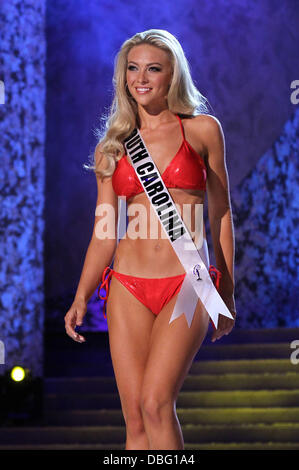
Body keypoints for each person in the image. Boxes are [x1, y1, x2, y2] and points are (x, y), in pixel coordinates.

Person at [64, 29, 236, 450]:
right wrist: (82, 295)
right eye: (133, 68)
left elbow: (221, 214)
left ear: (172, 75)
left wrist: (226, 292)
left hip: (187, 283)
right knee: (135, 416)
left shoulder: (203, 130)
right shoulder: (113, 148)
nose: (141, 78)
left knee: (158, 402)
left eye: (153, 69)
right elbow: (104, 231)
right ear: (123, 77)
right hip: (127, 285)